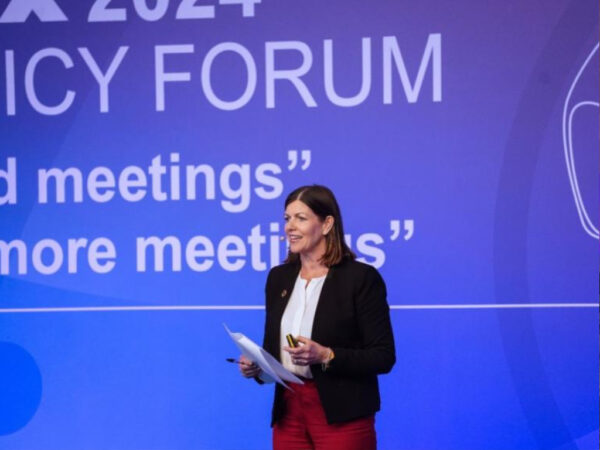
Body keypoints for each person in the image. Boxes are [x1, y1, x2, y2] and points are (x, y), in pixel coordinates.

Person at [239, 185, 395, 450]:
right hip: (289, 412)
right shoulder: (278, 278)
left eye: (301, 218)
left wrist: (326, 355)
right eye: (287, 218)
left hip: (342, 414)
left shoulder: (360, 279)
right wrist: (258, 368)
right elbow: (276, 353)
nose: (290, 227)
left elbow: (383, 356)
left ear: (326, 224)